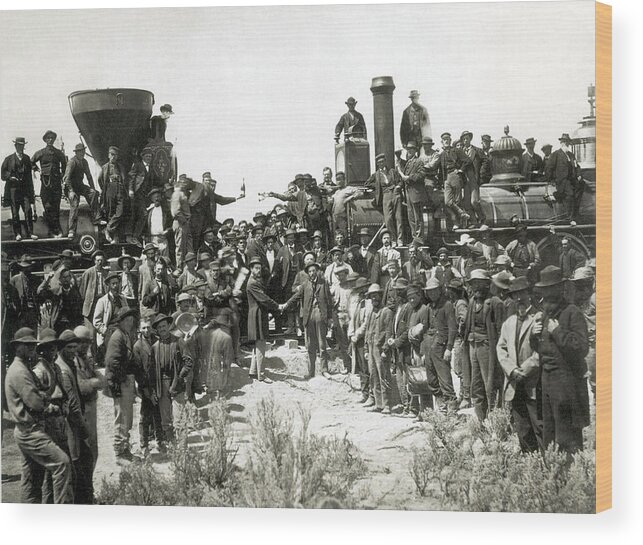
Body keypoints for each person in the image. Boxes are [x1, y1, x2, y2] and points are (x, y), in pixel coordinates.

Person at [4, 328, 73, 503]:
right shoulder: (20, 371)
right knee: (62, 464)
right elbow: (36, 403)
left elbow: (40, 395)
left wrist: (44, 398)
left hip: (27, 430)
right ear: (17, 347)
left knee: (32, 479)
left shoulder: (23, 368)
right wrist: (50, 406)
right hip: (30, 431)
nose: (31, 349)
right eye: (26, 345)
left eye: (32, 345)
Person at [531, 266, 589, 454]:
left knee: (567, 435)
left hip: (566, 383)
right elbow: (541, 349)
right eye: (544, 289)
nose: (546, 293)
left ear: (560, 289)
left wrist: (558, 332)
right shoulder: (545, 314)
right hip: (547, 381)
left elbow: (581, 347)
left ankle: (571, 476)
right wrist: (534, 336)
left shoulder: (572, 312)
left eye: (550, 288)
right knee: (549, 431)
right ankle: (552, 475)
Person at [496, 276, 543, 453]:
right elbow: (501, 349)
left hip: (533, 381)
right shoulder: (509, 323)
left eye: (521, 294)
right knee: (522, 428)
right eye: (515, 295)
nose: (518, 298)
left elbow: (542, 350)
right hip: (514, 381)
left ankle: (546, 465)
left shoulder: (538, 318)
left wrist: (526, 369)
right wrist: (512, 370)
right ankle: (528, 462)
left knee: (538, 425)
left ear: (528, 294)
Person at [55, 330, 93, 504]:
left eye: (74, 347)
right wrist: (84, 428)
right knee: (76, 463)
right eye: (69, 347)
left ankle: (87, 499)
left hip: (75, 424)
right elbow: (72, 404)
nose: (73, 351)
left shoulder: (70, 363)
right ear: (61, 348)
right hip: (71, 425)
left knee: (85, 460)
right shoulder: (63, 369)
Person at [32, 328, 68, 504]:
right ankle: (48, 505)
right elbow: (36, 399)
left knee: (62, 465)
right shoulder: (39, 371)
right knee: (51, 468)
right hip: (49, 419)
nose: (53, 351)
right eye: (49, 348)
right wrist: (49, 407)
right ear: (42, 350)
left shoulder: (56, 368)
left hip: (60, 418)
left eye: (55, 348)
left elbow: (63, 391)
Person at [104, 307, 140, 463]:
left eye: (132, 320)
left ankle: (126, 449)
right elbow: (112, 362)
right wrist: (121, 380)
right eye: (127, 320)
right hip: (120, 382)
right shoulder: (117, 337)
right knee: (121, 418)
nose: (130, 323)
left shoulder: (125, 335)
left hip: (125, 380)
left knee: (127, 417)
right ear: (121, 322)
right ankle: (119, 452)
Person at [150, 313, 194, 440]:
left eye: (164, 326)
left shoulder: (178, 341)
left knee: (179, 418)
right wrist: (153, 389)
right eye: (159, 327)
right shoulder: (155, 347)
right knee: (166, 420)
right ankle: (172, 447)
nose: (162, 329)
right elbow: (151, 370)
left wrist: (180, 377)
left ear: (169, 326)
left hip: (177, 383)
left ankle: (182, 449)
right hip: (161, 385)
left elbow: (188, 361)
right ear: (157, 330)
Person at [463, 269, 497, 421]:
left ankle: (495, 419)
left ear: (486, 285)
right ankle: (481, 420)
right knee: (475, 385)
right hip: (472, 346)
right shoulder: (471, 302)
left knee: (489, 384)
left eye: (479, 283)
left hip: (486, 346)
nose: (476, 287)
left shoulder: (493, 302)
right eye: (473, 284)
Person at [246, 257, 285, 383]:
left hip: (258, 313)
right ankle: (261, 374)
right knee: (261, 343)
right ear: (251, 269)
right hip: (257, 314)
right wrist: (277, 306)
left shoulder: (256, 281)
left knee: (258, 343)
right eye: (256, 268)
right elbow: (264, 299)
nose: (258, 271)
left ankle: (253, 371)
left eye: (259, 268)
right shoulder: (252, 283)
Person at [423, 278, 458, 413]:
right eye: (429, 292)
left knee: (445, 379)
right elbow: (425, 329)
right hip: (429, 345)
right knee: (431, 379)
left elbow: (452, 328)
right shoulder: (429, 307)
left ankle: (452, 410)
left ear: (440, 290)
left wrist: (449, 348)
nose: (432, 294)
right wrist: (423, 350)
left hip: (441, 346)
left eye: (434, 291)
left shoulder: (447, 305)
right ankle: (442, 406)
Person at [73, 325, 104, 478]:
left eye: (88, 342)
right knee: (85, 451)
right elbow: (83, 388)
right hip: (82, 410)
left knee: (93, 450)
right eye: (81, 341)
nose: (85, 345)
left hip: (91, 409)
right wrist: (94, 382)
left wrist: (93, 381)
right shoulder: (72, 361)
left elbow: (102, 381)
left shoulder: (86, 359)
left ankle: (88, 488)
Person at [133, 315, 165, 455]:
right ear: (140, 330)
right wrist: (146, 389)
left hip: (157, 383)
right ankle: (144, 444)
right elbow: (138, 370)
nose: (146, 330)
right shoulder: (137, 347)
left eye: (148, 327)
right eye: (143, 328)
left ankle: (160, 442)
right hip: (146, 385)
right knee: (145, 416)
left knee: (158, 414)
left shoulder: (157, 342)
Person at [297, 261, 333, 379]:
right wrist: (285, 305)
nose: (312, 273)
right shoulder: (305, 285)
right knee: (310, 345)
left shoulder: (323, 283)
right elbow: (295, 297)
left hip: (320, 313)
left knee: (322, 345)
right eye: (310, 271)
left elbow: (329, 302)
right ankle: (311, 372)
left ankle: (324, 370)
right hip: (309, 315)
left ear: (317, 271)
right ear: (307, 273)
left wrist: (330, 318)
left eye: (313, 271)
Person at [62, 143, 103, 239]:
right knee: (75, 203)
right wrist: (71, 191)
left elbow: (89, 176)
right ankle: (71, 230)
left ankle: (96, 218)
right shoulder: (72, 162)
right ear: (76, 153)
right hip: (70, 186)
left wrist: (93, 188)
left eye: (83, 151)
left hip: (79, 185)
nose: (82, 153)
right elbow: (66, 178)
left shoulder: (84, 162)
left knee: (93, 193)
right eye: (80, 152)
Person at [31, 130, 67, 238]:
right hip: (46, 184)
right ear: (46, 140)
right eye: (48, 138)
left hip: (56, 184)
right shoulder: (41, 152)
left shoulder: (58, 153)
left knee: (56, 207)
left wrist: (62, 176)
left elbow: (65, 164)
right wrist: (37, 170)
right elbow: (31, 162)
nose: (50, 140)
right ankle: (51, 230)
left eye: (52, 138)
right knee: (47, 206)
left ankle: (58, 229)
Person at [385, 277, 412, 416]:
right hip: (397, 350)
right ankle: (405, 406)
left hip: (406, 349)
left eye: (401, 291)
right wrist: (391, 340)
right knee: (400, 379)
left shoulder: (408, 308)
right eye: (397, 291)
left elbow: (408, 330)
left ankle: (411, 407)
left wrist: (397, 342)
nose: (399, 294)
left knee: (407, 379)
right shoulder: (398, 308)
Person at [545, 133, 585, 225]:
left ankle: (576, 212)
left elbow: (577, 166)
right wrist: (551, 180)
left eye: (567, 142)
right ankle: (570, 218)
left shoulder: (571, 155)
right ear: (561, 143)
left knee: (582, 185)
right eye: (565, 142)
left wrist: (579, 175)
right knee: (570, 194)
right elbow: (549, 168)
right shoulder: (556, 154)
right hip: (562, 181)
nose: (566, 144)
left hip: (572, 180)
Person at [2, 137, 37, 240]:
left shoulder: (27, 159)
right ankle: (18, 234)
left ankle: (30, 233)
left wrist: (31, 192)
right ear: (15, 146)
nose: (20, 147)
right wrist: (10, 177)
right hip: (13, 190)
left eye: (22, 145)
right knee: (15, 212)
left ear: (23, 147)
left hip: (25, 190)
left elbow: (30, 177)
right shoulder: (8, 159)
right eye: (18, 145)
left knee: (28, 210)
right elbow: (2, 174)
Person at [363, 284, 392, 414]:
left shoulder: (386, 312)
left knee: (383, 375)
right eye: (371, 296)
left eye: (376, 295)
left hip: (380, 349)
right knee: (373, 375)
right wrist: (365, 350)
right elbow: (367, 331)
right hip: (371, 347)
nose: (374, 298)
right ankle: (378, 403)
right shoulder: (370, 313)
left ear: (380, 296)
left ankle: (387, 404)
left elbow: (388, 332)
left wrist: (385, 349)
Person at [365, 154, 403, 244]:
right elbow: (367, 183)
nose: (381, 163)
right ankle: (393, 239)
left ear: (385, 162)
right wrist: (377, 186)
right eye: (379, 162)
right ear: (377, 164)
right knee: (388, 219)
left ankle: (400, 239)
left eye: (382, 161)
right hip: (385, 195)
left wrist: (398, 186)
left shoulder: (392, 171)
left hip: (395, 193)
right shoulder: (376, 175)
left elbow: (400, 181)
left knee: (399, 217)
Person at [571, 266, 596, 399]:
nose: (579, 287)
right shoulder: (580, 297)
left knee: (595, 381)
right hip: (584, 343)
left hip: (594, 344)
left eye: (582, 284)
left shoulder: (594, 298)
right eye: (577, 284)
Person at [37, 266, 83, 334]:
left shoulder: (76, 293)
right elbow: (39, 291)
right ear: (60, 279)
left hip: (71, 324)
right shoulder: (55, 292)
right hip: (58, 323)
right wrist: (47, 280)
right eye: (63, 277)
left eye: (67, 277)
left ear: (70, 278)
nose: (65, 279)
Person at [93, 271, 130, 356]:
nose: (115, 286)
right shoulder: (102, 301)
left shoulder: (123, 299)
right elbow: (96, 321)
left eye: (117, 283)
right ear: (109, 285)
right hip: (109, 331)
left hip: (122, 330)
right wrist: (105, 331)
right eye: (113, 284)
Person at [438, 132, 471, 229]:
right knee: (447, 201)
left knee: (457, 200)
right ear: (442, 142)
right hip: (446, 178)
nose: (446, 141)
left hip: (456, 176)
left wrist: (461, 170)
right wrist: (440, 182)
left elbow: (468, 160)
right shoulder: (442, 154)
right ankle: (461, 213)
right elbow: (440, 170)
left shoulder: (456, 151)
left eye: (448, 140)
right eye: (445, 140)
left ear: (450, 141)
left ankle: (458, 223)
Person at [397, 141, 428, 240]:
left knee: (417, 217)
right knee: (411, 218)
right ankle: (415, 238)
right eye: (408, 150)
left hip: (416, 193)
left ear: (415, 151)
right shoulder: (408, 163)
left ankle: (419, 239)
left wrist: (408, 178)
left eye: (411, 150)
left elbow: (421, 175)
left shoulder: (419, 161)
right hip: (408, 193)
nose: (409, 151)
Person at [98, 146, 128, 244]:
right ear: (108, 155)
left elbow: (125, 180)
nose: (114, 157)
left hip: (120, 190)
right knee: (111, 213)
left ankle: (107, 229)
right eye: (112, 155)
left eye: (116, 155)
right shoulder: (105, 167)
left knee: (120, 212)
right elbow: (100, 180)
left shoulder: (121, 167)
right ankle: (114, 237)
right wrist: (106, 190)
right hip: (110, 190)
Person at [79, 250, 107, 356]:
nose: (99, 262)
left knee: (101, 331)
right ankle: (91, 357)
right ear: (94, 261)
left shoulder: (105, 273)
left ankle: (100, 356)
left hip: (100, 304)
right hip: (90, 305)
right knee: (90, 333)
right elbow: (82, 290)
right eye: (98, 260)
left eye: (101, 260)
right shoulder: (88, 273)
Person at [348, 277, 371, 400]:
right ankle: (364, 392)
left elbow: (366, 323)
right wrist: (351, 334)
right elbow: (353, 319)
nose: (361, 292)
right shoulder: (358, 303)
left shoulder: (369, 304)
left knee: (366, 366)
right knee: (361, 367)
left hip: (364, 338)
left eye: (362, 289)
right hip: (356, 339)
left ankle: (369, 394)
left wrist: (357, 335)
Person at [275, 229, 302, 335]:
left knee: (298, 303)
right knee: (289, 303)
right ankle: (291, 326)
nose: (291, 239)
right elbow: (277, 266)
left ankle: (299, 326)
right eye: (289, 238)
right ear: (286, 239)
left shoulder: (299, 248)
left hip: (297, 278)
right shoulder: (282, 250)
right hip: (287, 280)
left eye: (292, 237)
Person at [127, 147, 155, 245]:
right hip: (136, 193)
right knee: (140, 214)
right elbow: (131, 177)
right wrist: (131, 190)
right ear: (143, 157)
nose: (148, 158)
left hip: (144, 196)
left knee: (140, 215)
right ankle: (133, 236)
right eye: (147, 156)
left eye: (150, 156)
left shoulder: (151, 168)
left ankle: (134, 236)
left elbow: (154, 180)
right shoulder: (138, 165)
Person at [459, 130, 486, 226]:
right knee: (466, 204)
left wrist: (481, 174)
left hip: (474, 178)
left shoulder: (477, 151)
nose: (466, 140)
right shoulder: (459, 152)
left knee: (474, 201)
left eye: (467, 138)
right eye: (464, 139)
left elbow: (485, 161)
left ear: (470, 139)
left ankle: (482, 218)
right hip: (465, 180)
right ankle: (474, 221)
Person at [329, 172, 363, 237]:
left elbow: (360, 193)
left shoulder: (349, 189)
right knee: (336, 237)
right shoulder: (337, 192)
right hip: (335, 218)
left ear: (344, 180)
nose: (338, 182)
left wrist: (350, 198)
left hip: (343, 217)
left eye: (339, 179)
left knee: (344, 236)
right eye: (337, 180)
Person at [10, 255, 39, 330]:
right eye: (24, 267)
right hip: (21, 312)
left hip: (33, 312)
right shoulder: (14, 280)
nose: (26, 269)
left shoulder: (35, 279)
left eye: (28, 267)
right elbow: (12, 297)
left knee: (33, 332)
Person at [171, 177, 193, 269]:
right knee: (180, 248)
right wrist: (184, 220)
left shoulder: (182, 193)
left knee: (187, 247)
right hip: (180, 223)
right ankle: (179, 268)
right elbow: (175, 212)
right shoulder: (177, 194)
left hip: (184, 223)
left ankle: (187, 267)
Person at [146, 187, 173, 258]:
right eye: (154, 197)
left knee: (165, 259)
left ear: (161, 197)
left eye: (158, 197)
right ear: (151, 199)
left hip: (163, 239)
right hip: (152, 239)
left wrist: (167, 231)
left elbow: (172, 225)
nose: (156, 199)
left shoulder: (166, 211)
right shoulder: (149, 212)